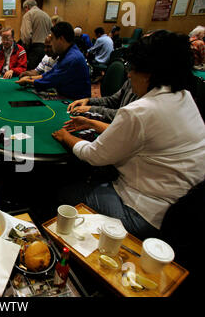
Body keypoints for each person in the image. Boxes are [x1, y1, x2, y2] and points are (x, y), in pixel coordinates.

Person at [51, 30, 205, 240]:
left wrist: (64, 136)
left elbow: (94, 156)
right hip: (181, 211)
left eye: (133, 69)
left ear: (150, 73)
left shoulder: (141, 110)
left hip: (143, 214)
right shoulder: (185, 97)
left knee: (63, 193)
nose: (130, 74)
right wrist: (90, 121)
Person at [16, 22, 91, 100]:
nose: (51, 43)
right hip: (67, 97)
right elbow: (50, 74)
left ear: (61, 39)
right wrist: (30, 77)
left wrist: (28, 81)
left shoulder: (72, 58)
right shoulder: (68, 53)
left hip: (75, 102)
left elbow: (50, 80)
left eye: (52, 39)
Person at [67, 79, 138, 122]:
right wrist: (88, 101)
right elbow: (112, 100)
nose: (129, 74)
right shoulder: (130, 81)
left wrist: (91, 109)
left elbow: (123, 117)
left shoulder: (146, 99)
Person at [20, 0, 52, 70]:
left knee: (31, 73)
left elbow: (26, 34)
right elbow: (51, 33)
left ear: (27, 7)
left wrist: (26, 46)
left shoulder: (28, 14)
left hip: (34, 49)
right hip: (46, 49)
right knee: (42, 72)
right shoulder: (47, 15)